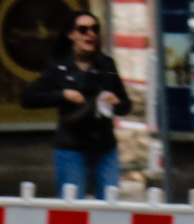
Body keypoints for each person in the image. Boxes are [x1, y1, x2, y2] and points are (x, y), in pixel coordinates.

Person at [21, 12, 130, 198]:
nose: (90, 34)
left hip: (104, 147)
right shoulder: (58, 67)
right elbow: (29, 98)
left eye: (94, 29)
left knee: (110, 205)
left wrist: (116, 102)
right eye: (83, 29)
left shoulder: (107, 65)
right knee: (73, 208)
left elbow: (125, 104)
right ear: (71, 35)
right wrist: (63, 94)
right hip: (71, 147)